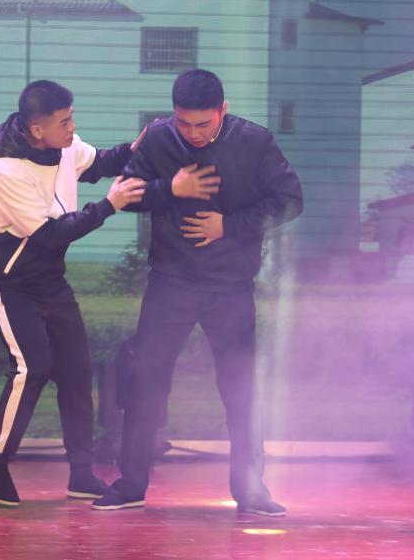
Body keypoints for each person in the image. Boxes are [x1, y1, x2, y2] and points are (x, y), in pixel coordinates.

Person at [91, 69, 303, 516]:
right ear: (174, 113)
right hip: (170, 282)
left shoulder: (255, 141)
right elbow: (128, 194)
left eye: (203, 124)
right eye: (184, 123)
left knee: (240, 388)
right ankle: (130, 485)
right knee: (147, 382)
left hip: (231, 286)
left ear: (223, 110)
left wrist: (230, 225)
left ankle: (251, 490)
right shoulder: (158, 139)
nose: (194, 133)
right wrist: (170, 189)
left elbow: (289, 200)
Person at [0, 80, 146, 505]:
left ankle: (81, 474)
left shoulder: (64, 146)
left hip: (50, 280)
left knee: (76, 371)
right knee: (32, 368)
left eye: (72, 118)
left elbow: (100, 161)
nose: (72, 128)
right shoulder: (5, 170)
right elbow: (50, 235)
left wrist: (137, 148)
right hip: (11, 283)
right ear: (37, 130)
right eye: (64, 122)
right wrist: (109, 205)